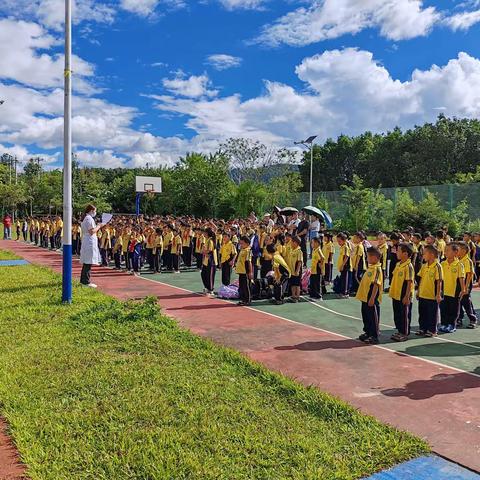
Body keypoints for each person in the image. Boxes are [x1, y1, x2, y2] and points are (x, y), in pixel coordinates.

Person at [356, 247, 383, 345]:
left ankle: (374, 335)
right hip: (365, 297)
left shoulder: (377, 269)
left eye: (368, 256)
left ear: (375, 257)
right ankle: (367, 332)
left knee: (373, 316)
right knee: (366, 315)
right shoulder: (370, 267)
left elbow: (376, 284)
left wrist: (372, 298)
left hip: (371, 298)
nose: (367, 258)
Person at [389, 243, 415, 342]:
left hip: (403, 294)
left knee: (404, 314)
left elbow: (409, 282)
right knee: (397, 314)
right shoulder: (398, 264)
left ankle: (404, 333)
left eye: (399, 251)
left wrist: (407, 296)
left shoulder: (409, 266)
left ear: (405, 253)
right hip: (396, 294)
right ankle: (399, 330)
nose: (396, 252)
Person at [416, 245, 443, 337]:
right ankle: (423, 328)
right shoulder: (424, 266)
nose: (423, 256)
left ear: (431, 255)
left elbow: (439, 281)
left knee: (432, 314)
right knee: (422, 313)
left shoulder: (437, 266)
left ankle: (432, 330)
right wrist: (418, 291)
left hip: (432, 295)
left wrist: (438, 294)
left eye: (424, 254)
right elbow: (421, 280)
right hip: (423, 294)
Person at [439, 243, 465, 334]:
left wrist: (463, 289)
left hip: (454, 291)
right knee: (443, 308)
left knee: (453, 309)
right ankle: (444, 324)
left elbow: (461, 278)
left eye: (448, 250)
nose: (445, 252)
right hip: (444, 291)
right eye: (445, 250)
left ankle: (452, 324)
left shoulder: (459, 264)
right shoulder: (442, 263)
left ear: (456, 252)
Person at [79, 204, 103, 288]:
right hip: (89, 241)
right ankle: (86, 281)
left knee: (87, 262)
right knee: (88, 262)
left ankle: (83, 280)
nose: (95, 213)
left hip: (87, 241)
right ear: (91, 211)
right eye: (95, 211)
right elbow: (92, 231)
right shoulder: (89, 219)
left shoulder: (87, 218)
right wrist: (99, 226)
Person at [457, 241, 478, 329]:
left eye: (459, 248)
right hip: (458, 283)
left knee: (466, 302)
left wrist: (465, 287)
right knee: (459, 302)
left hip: (466, 284)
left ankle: (473, 319)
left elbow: (469, 274)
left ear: (464, 250)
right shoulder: (457, 259)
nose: (457, 250)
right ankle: (459, 319)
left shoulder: (467, 260)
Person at [235, 236, 253, 306]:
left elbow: (249, 262)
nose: (241, 245)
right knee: (242, 286)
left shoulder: (248, 251)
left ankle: (247, 300)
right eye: (240, 243)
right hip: (241, 271)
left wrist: (250, 272)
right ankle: (243, 299)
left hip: (245, 271)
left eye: (242, 243)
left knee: (246, 286)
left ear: (247, 243)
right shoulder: (242, 249)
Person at [287, 236, 303, 303]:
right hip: (291, 271)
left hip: (296, 271)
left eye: (292, 242)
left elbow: (299, 262)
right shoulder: (291, 249)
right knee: (292, 283)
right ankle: (293, 295)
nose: (290, 243)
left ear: (295, 243)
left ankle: (297, 296)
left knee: (297, 284)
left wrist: (297, 271)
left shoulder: (299, 251)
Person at [336, 233, 351, 298]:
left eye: (339, 241)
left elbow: (346, 257)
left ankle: (345, 293)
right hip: (342, 266)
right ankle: (342, 292)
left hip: (345, 266)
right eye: (338, 241)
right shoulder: (342, 247)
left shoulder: (345, 247)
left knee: (345, 279)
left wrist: (342, 265)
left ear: (344, 240)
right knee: (343, 279)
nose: (338, 243)